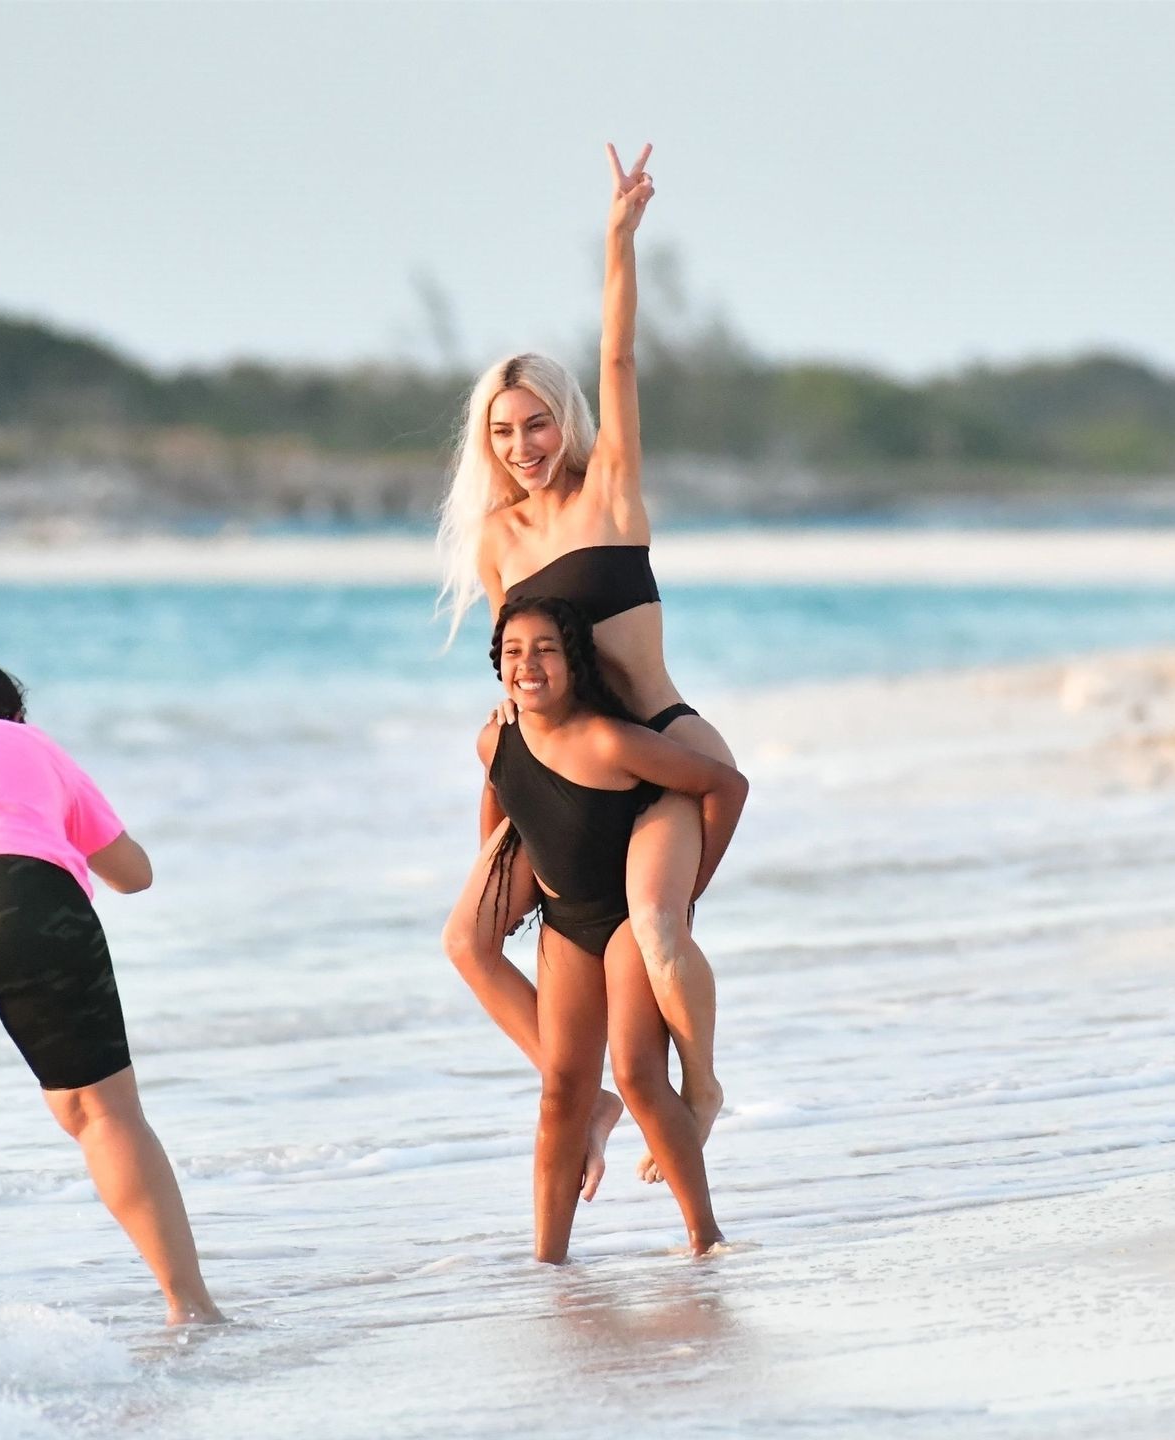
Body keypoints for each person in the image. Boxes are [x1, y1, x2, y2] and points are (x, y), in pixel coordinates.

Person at [436, 143, 738, 1176]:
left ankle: (700, 1091)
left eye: (536, 423)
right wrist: (499, 810)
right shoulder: (497, 543)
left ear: (567, 420)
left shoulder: (609, 491)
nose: (523, 445)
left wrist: (617, 238)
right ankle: (594, 1105)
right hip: (559, 770)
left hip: (655, 744)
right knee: (467, 942)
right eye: (503, 432)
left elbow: (619, 357)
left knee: (654, 929)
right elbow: (519, 676)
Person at [0, 643, 221, 1325]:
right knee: (103, 1113)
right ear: (13, 712)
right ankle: (190, 1306)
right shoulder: (32, 744)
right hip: (28, 897)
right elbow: (133, 872)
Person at [458, 597, 746, 1262]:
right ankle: (548, 1262)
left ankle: (705, 1236)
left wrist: (688, 891)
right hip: (563, 924)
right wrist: (499, 882)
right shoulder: (495, 737)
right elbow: (500, 787)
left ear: (576, 664)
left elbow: (725, 787)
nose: (528, 664)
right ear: (497, 665)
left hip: (625, 919)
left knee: (639, 1074)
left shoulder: (609, 741)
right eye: (514, 652)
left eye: (547, 650)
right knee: (561, 1089)